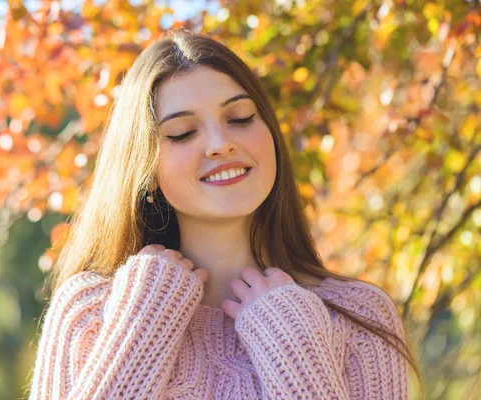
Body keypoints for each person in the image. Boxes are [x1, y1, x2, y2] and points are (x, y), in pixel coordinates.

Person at [27, 30, 423, 399]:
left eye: (240, 119)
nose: (220, 144)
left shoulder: (358, 316)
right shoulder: (91, 313)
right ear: (145, 170)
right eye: (182, 132)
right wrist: (140, 330)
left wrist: (295, 349)